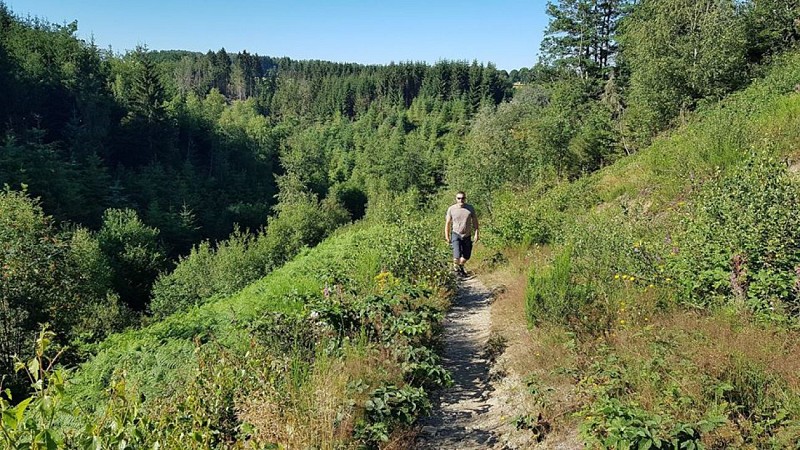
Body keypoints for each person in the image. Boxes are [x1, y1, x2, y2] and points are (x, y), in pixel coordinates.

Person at [444, 191, 479, 278]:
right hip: (456, 234)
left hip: (467, 235)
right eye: (459, 198)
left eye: (463, 198)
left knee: (466, 256)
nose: (461, 200)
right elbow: (448, 223)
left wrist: (476, 233)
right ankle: (456, 272)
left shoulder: (470, 208)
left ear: (465, 198)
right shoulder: (451, 209)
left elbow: (475, 221)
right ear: (456, 199)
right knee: (456, 256)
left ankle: (460, 267)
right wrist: (447, 236)